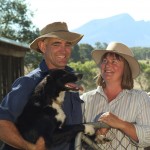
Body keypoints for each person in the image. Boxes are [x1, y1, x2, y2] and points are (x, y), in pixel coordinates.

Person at [0, 22, 84, 150]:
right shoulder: (29, 82)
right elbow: (2, 123)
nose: (64, 50)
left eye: (67, 44)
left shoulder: (71, 82)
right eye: (57, 44)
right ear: (43, 46)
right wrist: (30, 147)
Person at [81, 42, 150, 149]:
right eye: (105, 61)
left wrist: (121, 124)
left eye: (114, 61)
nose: (108, 65)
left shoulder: (141, 99)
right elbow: (75, 138)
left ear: (125, 69)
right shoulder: (85, 100)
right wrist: (97, 134)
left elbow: (148, 138)